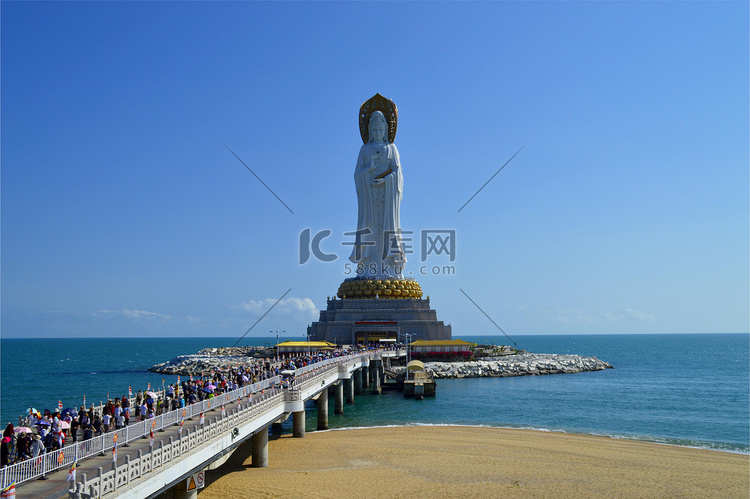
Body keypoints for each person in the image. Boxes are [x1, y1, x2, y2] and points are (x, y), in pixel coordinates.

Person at [349, 109, 406, 276]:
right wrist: (369, 169)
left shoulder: (391, 148)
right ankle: (367, 268)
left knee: (388, 228)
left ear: (386, 130)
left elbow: (398, 173)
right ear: (369, 131)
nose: (378, 133)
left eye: (381, 130)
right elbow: (357, 174)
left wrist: (386, 180)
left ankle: (390, 267)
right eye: (374, 130)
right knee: (369, 228)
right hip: (369, 198)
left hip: (387, 197)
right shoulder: (365, 149)